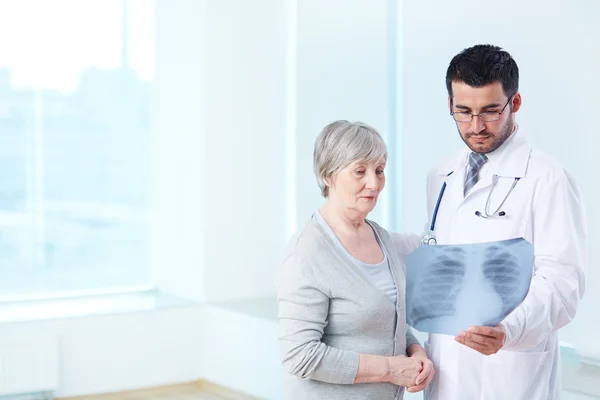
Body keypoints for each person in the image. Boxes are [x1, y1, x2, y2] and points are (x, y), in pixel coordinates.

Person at [418, 44, 587, 400]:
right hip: (447, 370)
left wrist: (509, 331)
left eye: (491, 111)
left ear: (516, 103)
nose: (476, 126)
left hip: (510, 373)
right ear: (449, 104)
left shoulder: (548, 178)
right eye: (463, 111)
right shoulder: (440, 175)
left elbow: (562, 283)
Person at [276, 120, 435, 399]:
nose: (373, 183)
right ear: (328, 175)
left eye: (379, 171)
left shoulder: (381, 237)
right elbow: (299, 355)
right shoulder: (307, 254)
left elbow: (388, 321)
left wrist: (415, 351)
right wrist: (389, 369)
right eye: (360, 171)